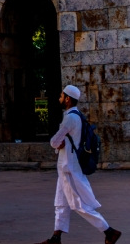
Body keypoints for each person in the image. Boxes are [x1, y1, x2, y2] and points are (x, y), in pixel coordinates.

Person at [38, 85, 120, 244]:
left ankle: (109, 232)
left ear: (67, 99)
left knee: (78, 204)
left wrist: (57, 144)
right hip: (66, 166)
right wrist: (60, 145)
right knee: (61, 204)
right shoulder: (76, 116)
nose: (59, 98)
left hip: (69, 167)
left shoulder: (70, 118)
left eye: (61, 96)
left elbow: (54, 141)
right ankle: (56, 238)